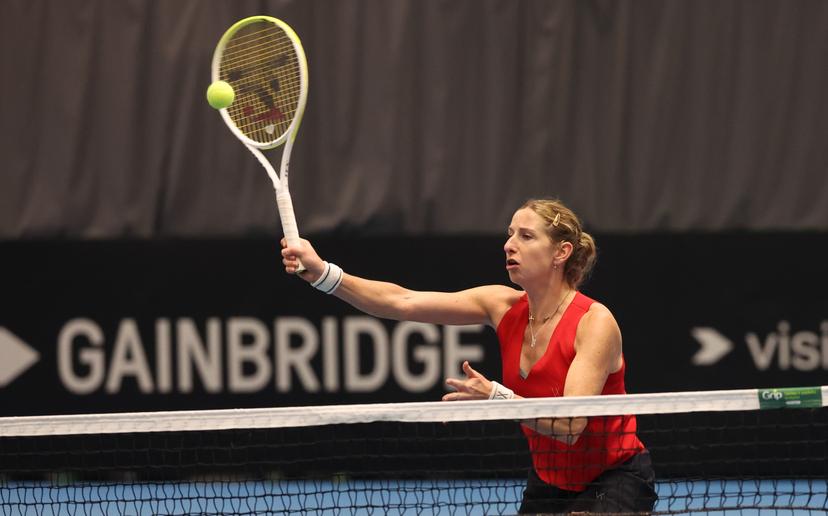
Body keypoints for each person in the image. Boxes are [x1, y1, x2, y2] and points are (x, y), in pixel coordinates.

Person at [281, 198, 657, 514]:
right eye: (510, 234)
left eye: (526, 236)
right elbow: (402, 301)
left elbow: (571, 426)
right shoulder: (501, 305)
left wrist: (498, 397)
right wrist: (323, 274)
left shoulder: (594, 322)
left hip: (614, 476)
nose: (509, 245)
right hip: (550, 479)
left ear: (561, 252)